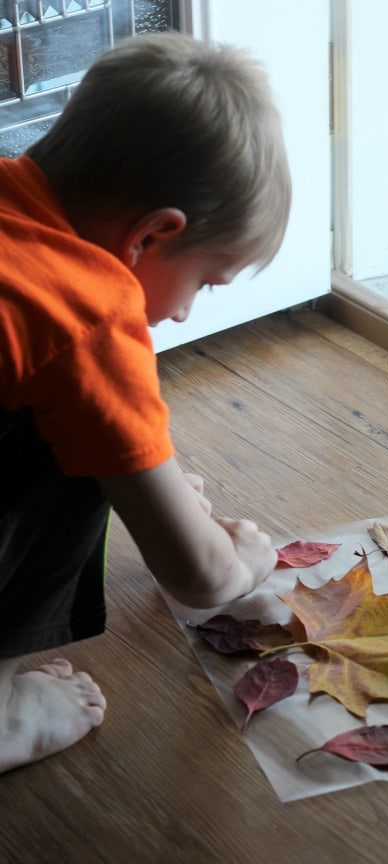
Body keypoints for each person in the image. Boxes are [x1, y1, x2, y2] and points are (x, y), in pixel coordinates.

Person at [0, 30, 291, 773]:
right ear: (155, 234)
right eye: (206, 282)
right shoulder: (86, 311)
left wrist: (150, 482)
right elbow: (196, 576)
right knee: (62, 452)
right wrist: (243, 562)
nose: (187, 314)